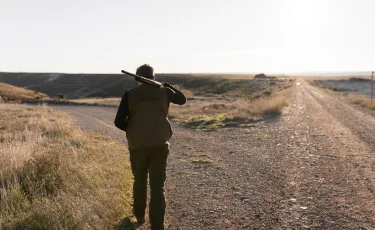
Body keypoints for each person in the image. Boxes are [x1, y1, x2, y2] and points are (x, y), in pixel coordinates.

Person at [114, 64, 186, 230]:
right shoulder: (165, 92)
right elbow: (182, 100)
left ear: (137, 79)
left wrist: (134, 130)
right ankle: (158, 226)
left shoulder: (129, 94)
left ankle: (139, 217)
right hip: (160, 145)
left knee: (139, 180)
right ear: (153, 77)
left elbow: (118, 122)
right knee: (157, 186)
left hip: (137, 146)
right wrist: (168, 86)